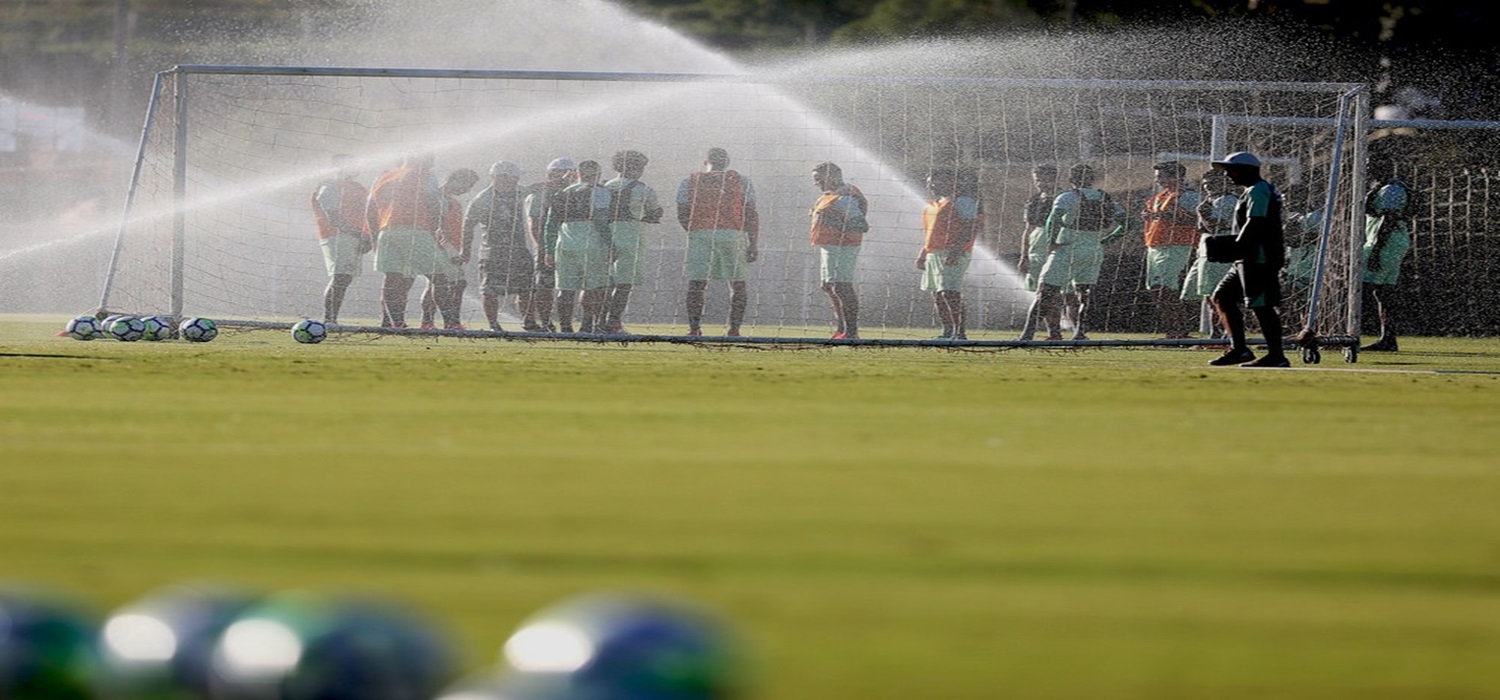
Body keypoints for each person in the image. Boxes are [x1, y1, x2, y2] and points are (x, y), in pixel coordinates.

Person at [1019, 163, 1123, 341]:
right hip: (1093, 250)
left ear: (1070, 180)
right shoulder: (1106, 198)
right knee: (1085, 294)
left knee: (1045, 291)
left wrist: (1051, 241)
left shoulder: (1067, 197)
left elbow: (1054, 220)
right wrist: (1106, 241)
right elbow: (1128, 224)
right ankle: (1079, 334)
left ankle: (1027, 335)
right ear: (1092, 179)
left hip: (1068, 248)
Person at [1206, 151, 1290, 368]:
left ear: (1247, 170)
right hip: (1246, 257)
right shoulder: (1251, 191)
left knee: (1261, 305)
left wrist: (1236, 247)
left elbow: (1256, 222)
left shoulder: (1258, 190)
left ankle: (1277, 356)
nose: (1227, 175)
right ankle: (1239, 350)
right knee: (1221, 297)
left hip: (1259, 257)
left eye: (1231, 170)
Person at [677, 147, 760, 337]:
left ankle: (694, 329)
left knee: (697, 283)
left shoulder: (689, 181)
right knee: (738, 284)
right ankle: (734, 330)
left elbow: (681, 212)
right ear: (727, 162)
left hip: (700, 234)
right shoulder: (742, 181)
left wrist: (693, 231)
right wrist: (753, 243)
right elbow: (751, 214)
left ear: (705, 161)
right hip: (733, 234)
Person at [366, 151, 443, 328]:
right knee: (440, 276)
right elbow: (433, 203)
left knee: (393, 278)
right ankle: (450, 323)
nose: (432, 165)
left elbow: (370, 208)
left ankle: (396, 323)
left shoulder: (385, 176)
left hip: (387, 231)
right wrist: (435, 230)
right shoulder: (426, 175)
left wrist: (375, 237)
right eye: (430, 160)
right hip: (417, 230)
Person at [464, 160, 536, 332]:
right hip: (492, 251)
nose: (516, 180)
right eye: (514, 177)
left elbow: (535, 189)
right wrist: (465, 250)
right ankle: (494, 325)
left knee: (526, 288)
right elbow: (468, 224)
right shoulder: (483, 198)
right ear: (499, 177)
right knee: (490, 290)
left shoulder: (520, 193)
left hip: (518, 249)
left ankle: (529, 322)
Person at [546, 159, 614, 334]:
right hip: (591, 244)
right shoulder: (600, 192)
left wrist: (549, 250)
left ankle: (566, 327)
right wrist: (610, 243)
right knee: (595, 287)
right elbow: (600, 220)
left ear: (577, 174)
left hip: (565, 244)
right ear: (598, 174)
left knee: (566, 288)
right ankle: (588, 324)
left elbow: (551, 225)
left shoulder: (562, 193)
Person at [602, 150, 664, 334]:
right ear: (636, 168)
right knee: (624, 284)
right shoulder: (643, 190)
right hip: (631, 236)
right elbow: (654, 212)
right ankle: (614, 322)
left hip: (604, 236)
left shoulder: (604, 187)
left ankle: (596, 321)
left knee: (604, 282)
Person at [917, 167, 982, 340]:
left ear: (951, 182)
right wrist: (923, 253)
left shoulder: (963, 201)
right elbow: (931, 232)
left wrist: (956, 250)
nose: (932, 185)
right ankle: (947, 331)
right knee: (937, 293)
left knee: (950, 292)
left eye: (937, 181)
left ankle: (960, 332)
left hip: (953, 253)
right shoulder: (933, 204)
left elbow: (971, 226)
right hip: (934, 253)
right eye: (930, 182)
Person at [1360, 153, 1417, 351]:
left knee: (1360, 285)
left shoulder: (1391, 189)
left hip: (1386, 242)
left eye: (1370, 165)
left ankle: (1346, 333)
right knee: (1384, 291)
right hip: (1386, 241)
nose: (1367, 169)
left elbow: (1389, 219)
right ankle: (1388, 339)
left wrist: (1376, 250)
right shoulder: (1382, 187)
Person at [1139, 161, 1202, 337]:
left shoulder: (1188, 197)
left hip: (1176, 244)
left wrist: (1173, 218)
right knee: (1156, 288)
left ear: (1176, 177)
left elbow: (1201, 220)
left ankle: (1180, 330)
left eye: (1161, 177)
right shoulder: (1161, 196)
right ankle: (1173, 330)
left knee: (1164, 287)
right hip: (1155, 244)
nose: (1158, 180)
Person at [809, 162, 869, 339]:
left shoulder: (845, 197)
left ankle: (851, 332)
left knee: (842, 287)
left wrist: (831, 219)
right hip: (830, 246)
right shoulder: (829, 196)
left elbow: (861, 224)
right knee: (828, 286)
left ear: (834, 176)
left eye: (819, 179)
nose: (816, 183)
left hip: (843, 246)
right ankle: (841, 328)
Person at [309, 154, 371, 324]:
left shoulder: (358, 187)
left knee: (345, 277)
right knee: (340, 276)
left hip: (353, 237)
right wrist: (358, 234)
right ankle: (329, 320)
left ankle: (331, 319)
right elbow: (333, 215)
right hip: (337, 236)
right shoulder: (330, 185)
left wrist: (366, 237)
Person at [1018, 164, 1080, 327]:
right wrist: (1024, 256)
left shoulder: (1067, 197)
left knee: (1069, 294)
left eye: (1044, 179)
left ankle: (1077, 332)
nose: (1040, 183)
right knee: (1044, 294)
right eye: (1037, 180)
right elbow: (1028, 229)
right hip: (1037, 249)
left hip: (1061, 246)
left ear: (1054, 178)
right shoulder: (1034, 200)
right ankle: (1054, 332)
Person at [419, 167, 480, 329]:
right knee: (457, 284)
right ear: (456, 181)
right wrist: (450, 250)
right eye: (468, 185)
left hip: (447, 247)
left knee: (434, 283)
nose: (468, 190)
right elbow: (436, 227)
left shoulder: (451, 201)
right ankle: (452, 322)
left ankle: (427, 322)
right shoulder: (438, 199)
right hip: (441, 248)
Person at [1181, 168, 1238, 338]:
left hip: (1220, 249)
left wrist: (1201, 212)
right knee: (1200, 293)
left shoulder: (1227, 200)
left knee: (1216, 294)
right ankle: (1217, 332)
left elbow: (1215, 225)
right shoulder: (1211, 200)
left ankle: (1224, 333)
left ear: (1226, 183)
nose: (1208, 187)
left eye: (1213, 183)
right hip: (1206, 251)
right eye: (1206, 184)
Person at [524, 158, 576, 332]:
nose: (563, 177)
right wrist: (544, 249)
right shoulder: (540, 195)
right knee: (545, 285)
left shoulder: (575, 192)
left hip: (570, 247)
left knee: (567, 286)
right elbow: (535, 224)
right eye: (558, 174)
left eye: (568, 173)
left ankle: (565, 324)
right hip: (548, 249)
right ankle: (546, 322)